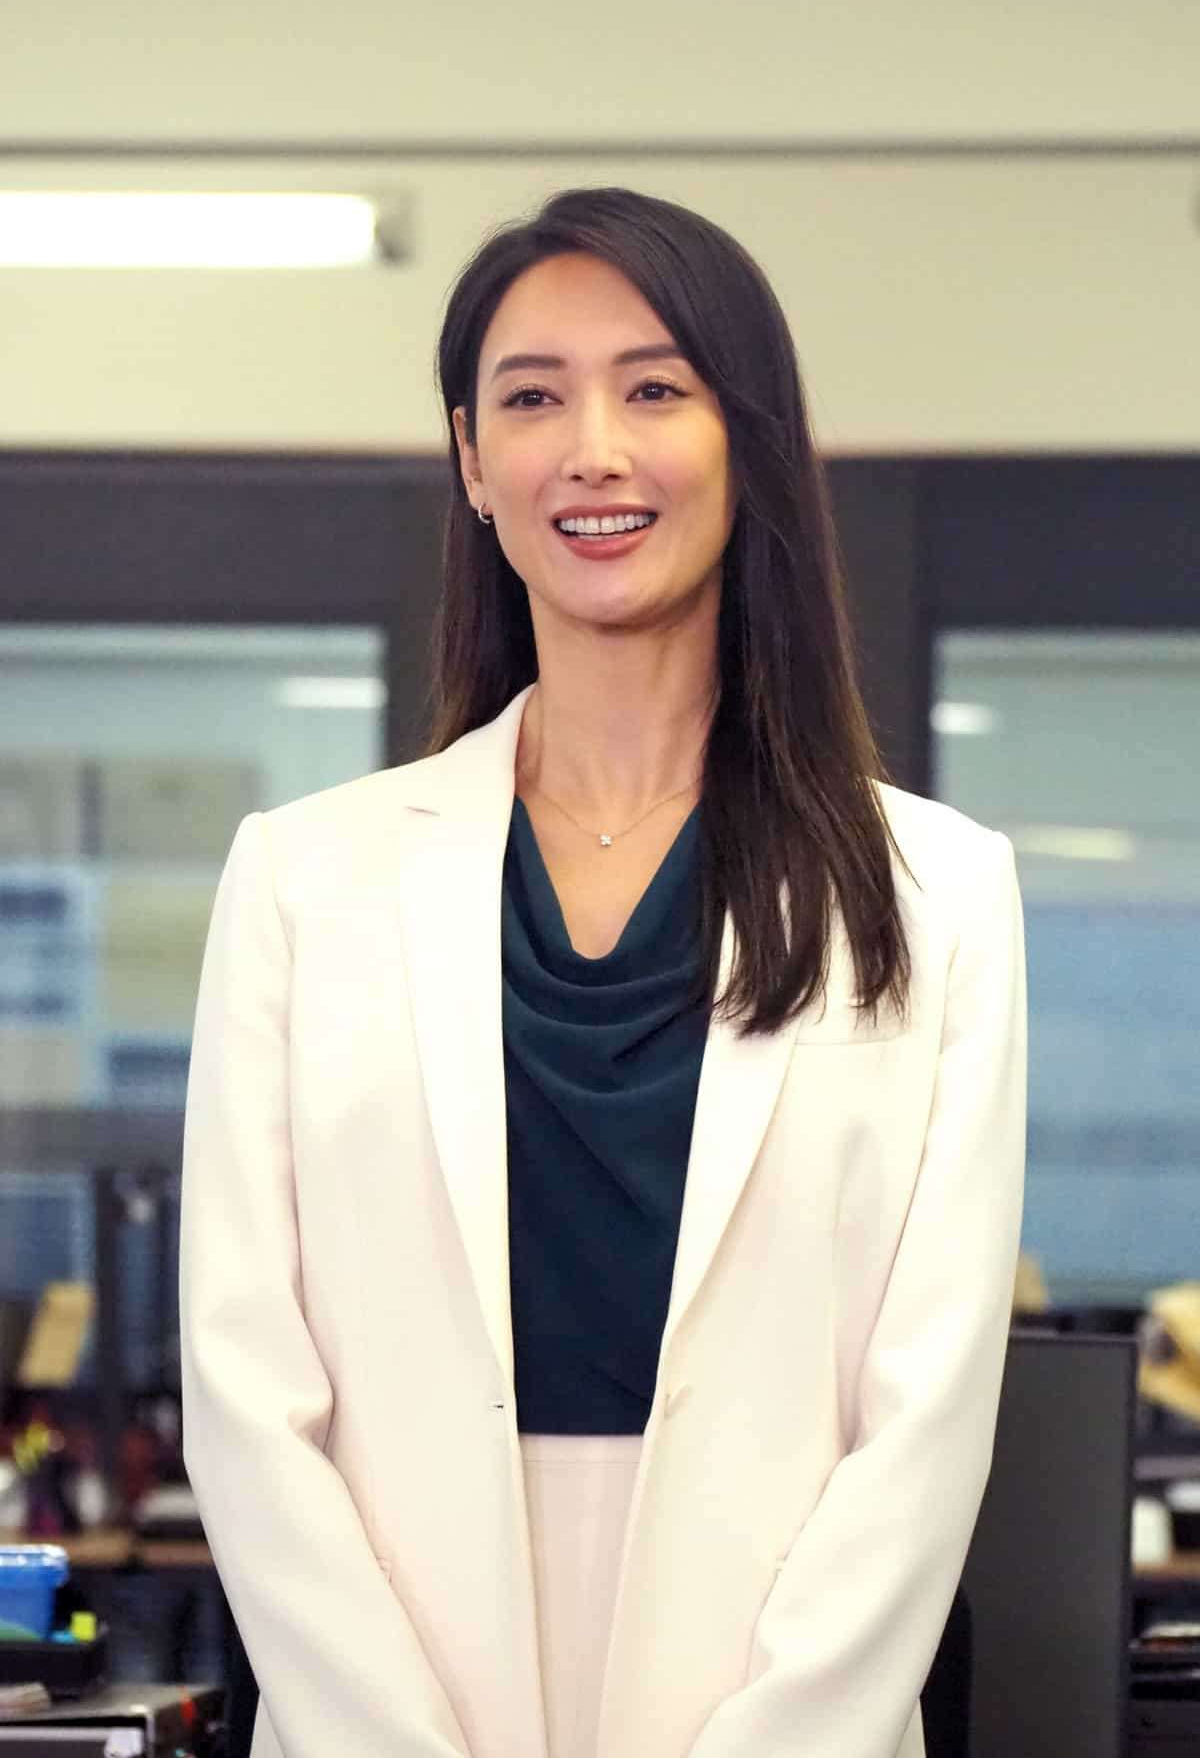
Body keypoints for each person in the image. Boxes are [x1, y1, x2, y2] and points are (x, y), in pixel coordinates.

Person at [178, 186, 1026, 1758]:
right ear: (470, 461)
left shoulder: (937, 892)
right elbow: (245, 1383)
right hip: (389, 1682)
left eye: (653, 389)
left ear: (746, 442)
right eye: (530, 399)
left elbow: (927, 1410)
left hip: (780, 1688)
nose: (593, 450)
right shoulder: (303, 878)